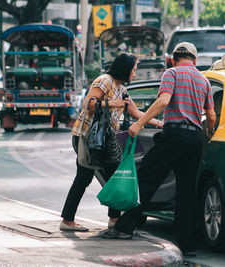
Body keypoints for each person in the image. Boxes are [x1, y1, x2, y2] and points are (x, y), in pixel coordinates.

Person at [102, 42, 217, 256]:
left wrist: (139, 123)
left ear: (174, 59)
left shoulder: (171, 74)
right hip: (194, 138)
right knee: (186, 190)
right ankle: (187, 244)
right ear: (194, 60)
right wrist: (208, 134)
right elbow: (210, 116)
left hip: (173, 135)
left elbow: (164, 101)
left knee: (146, 178)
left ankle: (124, 227)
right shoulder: (204, 80)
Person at [59, 52, 162, 232]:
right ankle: (111, 220)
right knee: (99, 176)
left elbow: (136, 113)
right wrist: (114, 103)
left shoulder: (122, 89)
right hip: (87, 136)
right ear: (126, 68)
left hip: (102, 140)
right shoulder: (105, 80)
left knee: (89, 177)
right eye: (134, 70)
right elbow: (88, 103)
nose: (135, 74)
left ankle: (77, 219)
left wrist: (159, 123)